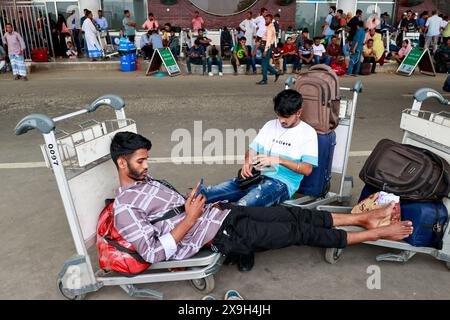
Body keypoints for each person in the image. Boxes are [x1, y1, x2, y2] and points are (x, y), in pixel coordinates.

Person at [110, 126, 414, 271]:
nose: (146, 165)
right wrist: (189, 217)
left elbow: (168, 213)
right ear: (122, 163)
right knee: (299, 232)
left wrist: (188, 202)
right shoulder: (126, 207)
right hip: (221, 232)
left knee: (298, 215)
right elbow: (152, 252)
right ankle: (378, 231)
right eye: (140, 161)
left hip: (223, 215)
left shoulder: (146, 181)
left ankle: (362, 218)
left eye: (146, 159)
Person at [204, 89, 318, 209]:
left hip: (281, 183)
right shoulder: (270, 125)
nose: (281, 120)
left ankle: (219, 218)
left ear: (299, 112)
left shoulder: (308, 133)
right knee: (208, 193)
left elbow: (307, 169)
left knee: (242, 206)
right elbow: (252, 149)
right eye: (278, 115)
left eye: (286, 117)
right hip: (256, 176)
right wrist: (247, 162)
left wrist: (278, 160)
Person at [257, 14, 280, 85]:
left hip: (267, 47)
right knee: (265, 64)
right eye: (265, 19)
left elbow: (269, 40)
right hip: (265, 45)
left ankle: (264, 80)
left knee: (264, 64)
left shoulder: (270, 28)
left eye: (267, 19)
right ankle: (276, 72)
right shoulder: (267, 26)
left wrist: (265, 51)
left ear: (270, 20)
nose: (265, 20)